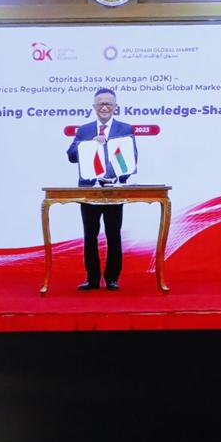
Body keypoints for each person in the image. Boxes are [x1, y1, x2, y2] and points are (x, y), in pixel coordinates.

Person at [65, 88, 137, 291]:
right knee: (90, 235)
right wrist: (89, 144)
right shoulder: (85, 130)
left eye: (108, 104)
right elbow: (71, 156)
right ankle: (92, 279)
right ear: (94, 107)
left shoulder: (125, 129)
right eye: (100, 104)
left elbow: (131, 159)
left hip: (114, 190)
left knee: (113, 234)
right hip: (89, 191)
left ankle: (112, 279)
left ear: (115, 107)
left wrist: (118, 177)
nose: (104, 107)